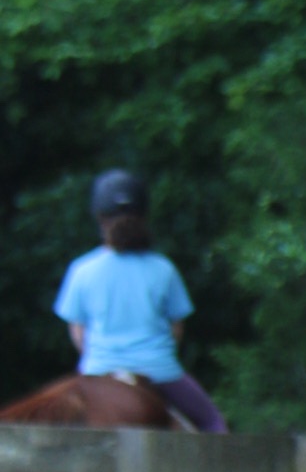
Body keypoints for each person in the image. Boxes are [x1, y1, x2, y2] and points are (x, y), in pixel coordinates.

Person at [54, 169, 229, 441]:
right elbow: (176, 330)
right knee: (212, 422)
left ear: (99, 218)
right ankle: (225, 470)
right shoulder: (163, 269)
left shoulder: (82, 270)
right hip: (158, 372)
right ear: (144, 217)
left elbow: (78, 333)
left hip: (98, 371)